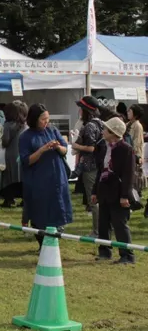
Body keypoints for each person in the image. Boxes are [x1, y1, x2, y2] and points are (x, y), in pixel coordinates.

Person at [19, 104, 72, 249]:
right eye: (43, 119)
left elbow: (64, 149)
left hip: (56, 176)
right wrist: (42, 150)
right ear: (34, 119)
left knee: (57, 207)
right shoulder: (25, 137)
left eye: (48, 119)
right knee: (39, 211)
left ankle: (54, 238)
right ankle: (42, 243)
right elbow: (26, 160)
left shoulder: (52, 130)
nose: (46, 122)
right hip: (38, 179)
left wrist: (57, 147)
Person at [93, 117, 136, 264]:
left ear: (113, 133)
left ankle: (127, 255)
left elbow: (128, 174)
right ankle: (104, 251)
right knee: (103, 224)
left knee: (119, 224)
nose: (103, 131)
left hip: (118, 193)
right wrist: (94, 192)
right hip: (104, 191)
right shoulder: (104, 147)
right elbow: (100, 171)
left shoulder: (126, 149)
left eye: (105, 129)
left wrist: (125, 196)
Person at [71, 96, 104, 237]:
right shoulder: (100, 123)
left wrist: (76, 145)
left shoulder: (90, 125)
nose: (79, 111)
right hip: (99, 165)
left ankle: (97, 231)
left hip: (90, 166)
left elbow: (91, 148)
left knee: (94, 199)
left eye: (81, 108)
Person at [0, 101, 28, 208]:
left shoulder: (8, 125)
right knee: (22, 177)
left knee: (9, 178)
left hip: (11, 154)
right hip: (23, 154)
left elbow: (5, 141)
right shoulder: (26, 125)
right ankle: (24, 199)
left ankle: (9, 199)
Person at [126, 105, 145, 201]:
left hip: (134, 155)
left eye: (130, 111)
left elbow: (137, 143)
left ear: (135, 114)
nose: (128, 112)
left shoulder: (137, 126)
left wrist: (137, 156)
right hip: (128, 154)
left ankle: (136, 198)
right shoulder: (128, 124)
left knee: (135, 177)